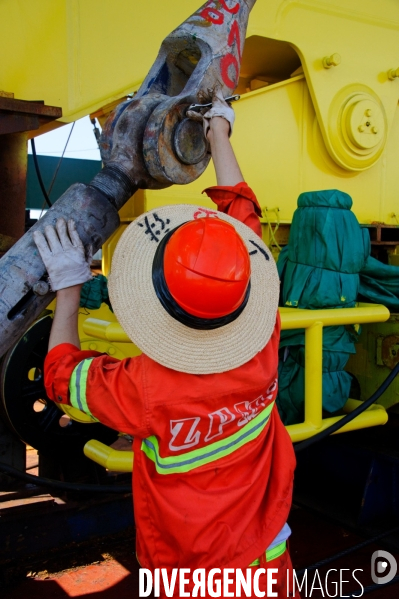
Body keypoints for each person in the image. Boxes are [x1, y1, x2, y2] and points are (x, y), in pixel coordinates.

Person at [34, 93, 298, 598]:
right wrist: (220, 131)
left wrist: (68, 290)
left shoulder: (145, 386)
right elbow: (242, 213)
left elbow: (63, 379)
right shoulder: (262, 335)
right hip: (269, 561)